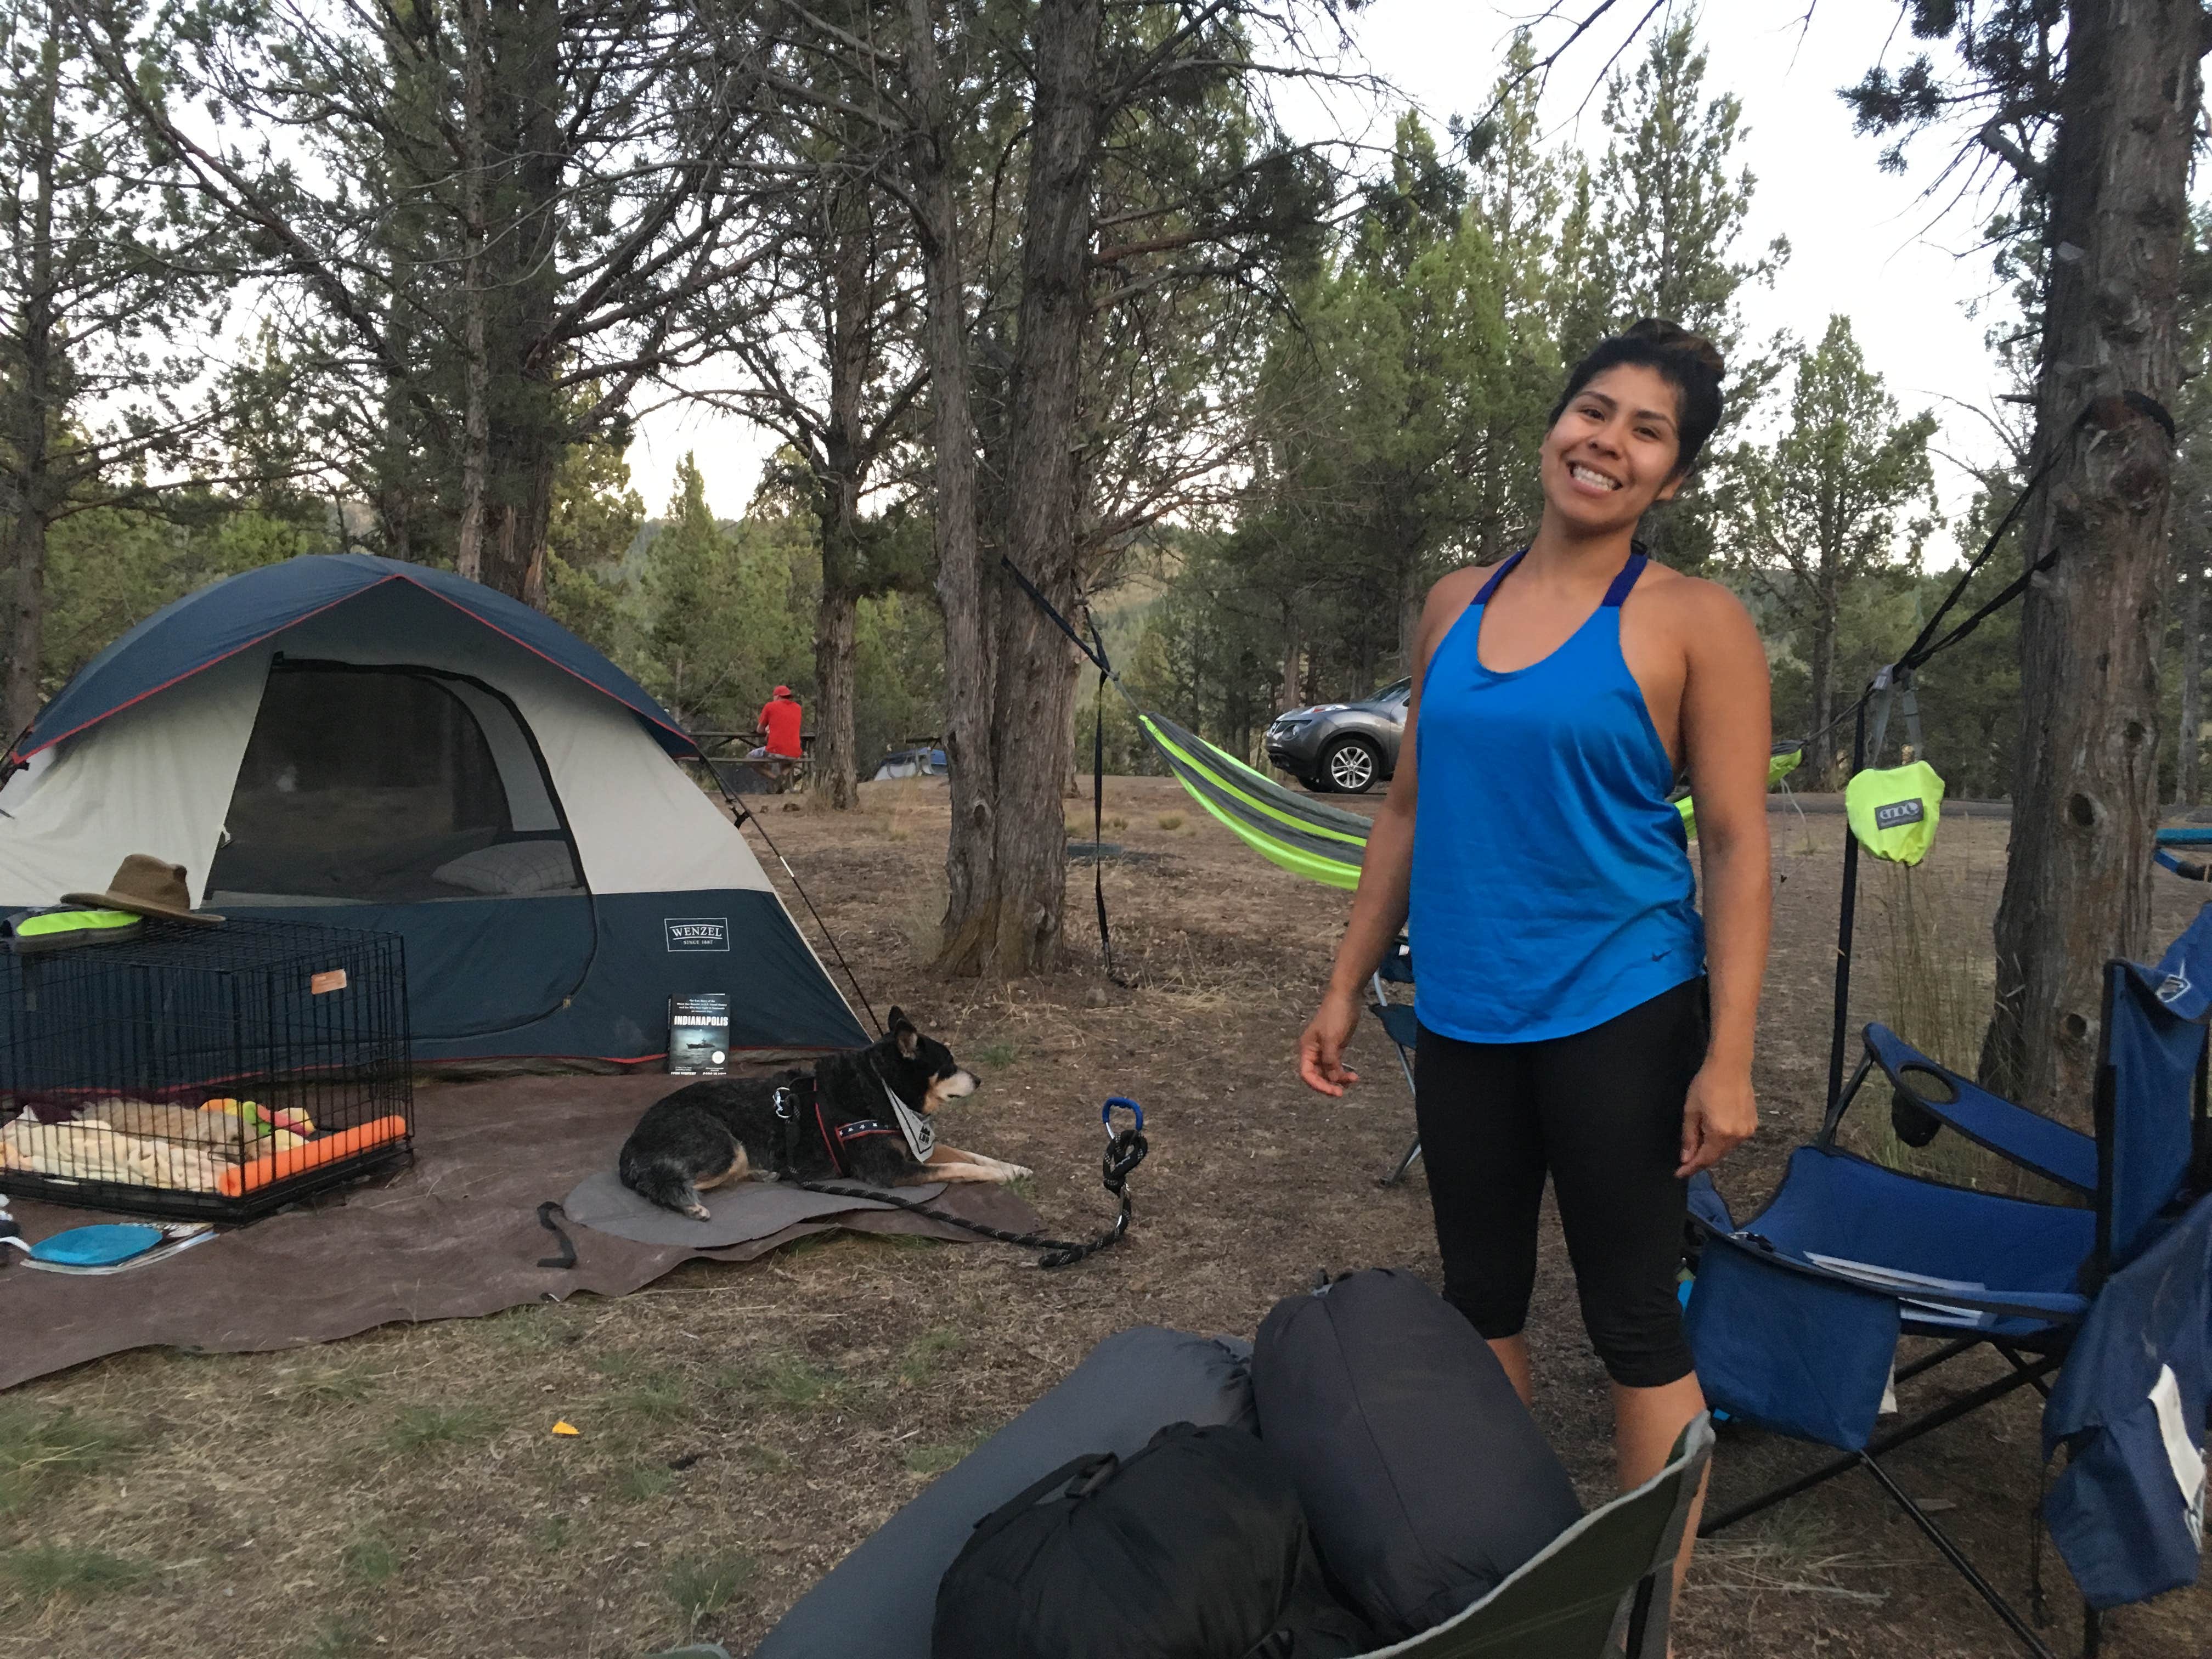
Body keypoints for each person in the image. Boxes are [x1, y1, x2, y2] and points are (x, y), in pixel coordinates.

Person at [1297, 319, 1773, 1606]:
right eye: (1593, 410)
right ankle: (1498, 1584)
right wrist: (1348, 981)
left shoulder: (1694, 622)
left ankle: (1643, 1614)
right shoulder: (1456, 603)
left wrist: (1727, 1055)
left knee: (1632, 1318)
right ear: (1554, 423)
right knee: (1479, 1303)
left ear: (1671, 477)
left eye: (1645, 430)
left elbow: (1733, 845)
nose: (1606, 441)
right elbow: (1406, 808)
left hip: (1621, 1002)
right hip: (1463, 1007)